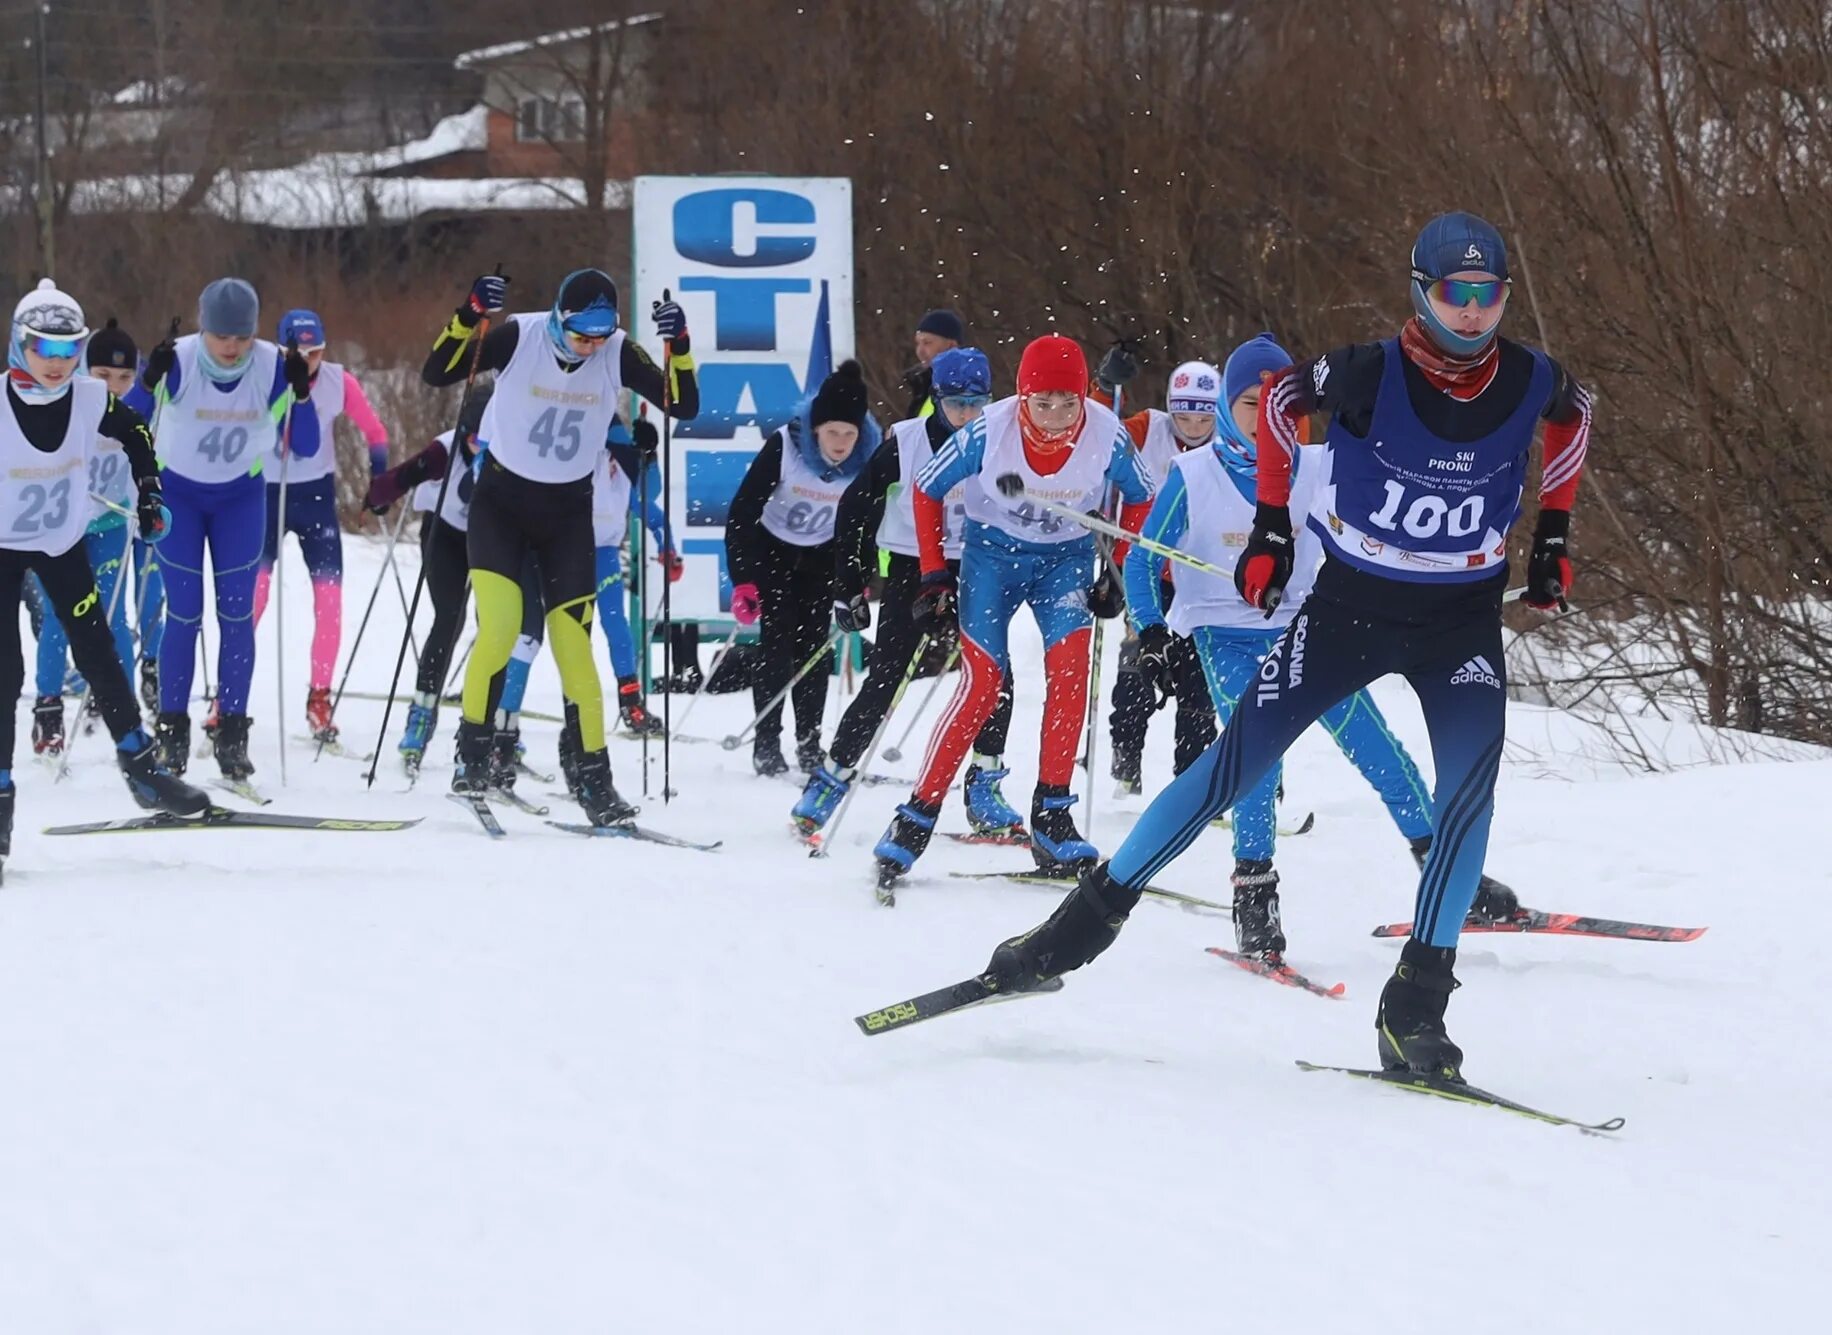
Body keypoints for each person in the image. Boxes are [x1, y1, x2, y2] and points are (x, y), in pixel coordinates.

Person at [980, 212, 1592, 1079]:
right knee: (1233, 765)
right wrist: (1271, 527)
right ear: (1422, 291)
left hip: (1459, 619)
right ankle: (1073, 935)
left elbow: (1577, 414)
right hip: (1349, 609)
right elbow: (1275, 401)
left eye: (1488, 294)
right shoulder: (1368, 370)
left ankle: (1414, 1005)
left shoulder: (1531, 377)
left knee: (1467, 798)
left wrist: (1555, 538)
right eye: (1454, 293)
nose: (1471, 311)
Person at [1123, 333, 1454, 960]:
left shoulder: (1323, 466)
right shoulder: (1194, 476)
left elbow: (1382, 530)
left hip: (1313, 631)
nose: (1269, 419)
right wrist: (1154, 632)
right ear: (1226, 405)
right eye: (1252, 403)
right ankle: (1254, 894)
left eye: (1285, 407)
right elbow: (1143, 566)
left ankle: (1445, 872)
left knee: (1377, 747)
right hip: (1228, 638)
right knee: (1257, 758)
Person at [872, 333, 1154, 886]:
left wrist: (1117, 569)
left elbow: (1141, 496)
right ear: (1022, 397)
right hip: (992, 560)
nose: (1054, 417)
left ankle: (1053, 815)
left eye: (1068, 403)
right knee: (983, 684)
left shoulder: (1107, 435)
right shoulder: (988, 429)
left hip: (1065, 563)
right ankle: (917, 815)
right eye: (1041, 403)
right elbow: (928, 490)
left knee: (1072, 676)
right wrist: (932, 575)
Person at [418, 268, 698, 825]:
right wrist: (470, 313)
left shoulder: (616, 351)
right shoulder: (518, 336)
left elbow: (679, 403)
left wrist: (680, 346)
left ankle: (594, 780)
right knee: (500, 630)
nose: (591, 346)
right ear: (558, 319)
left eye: (600, 335)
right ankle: (471, 757)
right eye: (581, 336)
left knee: (576, 651)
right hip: (501, 507)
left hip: (569, 515)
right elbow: (438, 372)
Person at [0, 279, 209, 862]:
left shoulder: (91, 399)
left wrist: (150, 492)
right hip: (2, 547)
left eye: (70, 351)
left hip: (61, 544)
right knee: (4, 670)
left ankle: (143, 769)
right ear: (20, 344)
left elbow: (138, 433)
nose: (57, 363)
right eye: (44, 348)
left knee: (100, 652)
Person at [791, 347, 1018, 838]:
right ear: (935, 398)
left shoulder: (1002, 438)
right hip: (915, 568)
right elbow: (855, 507)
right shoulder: (908, 441)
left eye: (978, 403)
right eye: (957, 403)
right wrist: (850, 582)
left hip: (979, 566)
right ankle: (831, 779)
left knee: (996, 678)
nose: (967, 415)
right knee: (887, 679)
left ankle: (984, 783)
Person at [146, 278, 315, 781]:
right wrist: (144, 381)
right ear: (203, 327)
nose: (231, 347)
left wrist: (299, 390)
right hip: (178, 496)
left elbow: (302, 442)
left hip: (241, 497)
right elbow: (131, 419)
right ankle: (171, 735)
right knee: (184, 614)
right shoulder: (177, 360)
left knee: (237, 615)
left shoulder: (272, 365)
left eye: (241, 337)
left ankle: (232, 736)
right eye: (222, 336)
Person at [723, 360, 881, 777]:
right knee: (777, 645)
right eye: (833, 432)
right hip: (772, 552)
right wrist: (743, 581)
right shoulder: (786, 446)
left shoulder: (869, 457)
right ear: (815, 428)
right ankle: (767, 740)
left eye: (850, 433)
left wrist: (857, 580)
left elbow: (866, 525)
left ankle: (809, 741)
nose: (841, 443)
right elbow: (742, 513)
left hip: (820, 557)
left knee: (813, 649)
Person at [252, 309, 392, 744]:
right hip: (265, 497)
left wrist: (380, 476)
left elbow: (375, 432)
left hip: (314, 498)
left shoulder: (337, 381)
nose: (309, 359)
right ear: (282, 349)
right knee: (250, 600)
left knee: (329, 602)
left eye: (316, 351)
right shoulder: (260, 376)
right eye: (300, 351)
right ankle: (227, 699)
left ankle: (319, 697)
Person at [1088, 348, 1220, 792]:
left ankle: (1192, 777)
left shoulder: (1229, 443)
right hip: (1145, 577)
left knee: (1199, 682)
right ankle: (1125, 763)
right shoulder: (1148, 428)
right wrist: (1104, 389)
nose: (1195, 429)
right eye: (1186, 418)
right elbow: (1096, 435)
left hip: (1202, 580)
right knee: (1139, 669)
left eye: (1205, 420)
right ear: (1171, 408)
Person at [29, 318, 154, 753]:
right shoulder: (70, 406)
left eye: (124, 378)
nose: (115, 387)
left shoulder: (130, 414)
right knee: (58, 617)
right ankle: (48, 708)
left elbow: (146, 454)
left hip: (110, 526)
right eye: (103, 376)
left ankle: (123, 703)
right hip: (63, 530)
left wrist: (149, 503)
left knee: (114, 617)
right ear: (85, 371)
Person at [593, 414, 678, 737]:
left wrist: (650, 455)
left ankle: (631, 704)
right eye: (612, 453)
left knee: (617, 626)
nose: (616, 461)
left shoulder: (626, 471)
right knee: (567, 635)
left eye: (622, 453)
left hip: (604, 554)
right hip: (566, 554)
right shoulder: (583, 459)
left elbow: (651, 507)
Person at [900, 309, 963, 418]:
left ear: (951, 346)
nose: (920, 351)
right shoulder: (923, 385)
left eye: (927, 343)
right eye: (917, 343)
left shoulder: (965, 389)